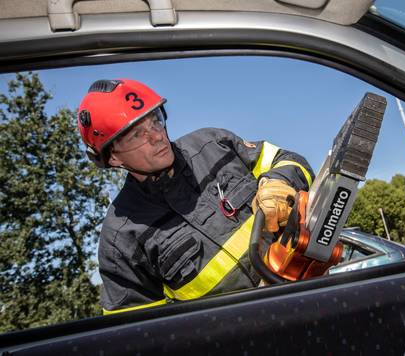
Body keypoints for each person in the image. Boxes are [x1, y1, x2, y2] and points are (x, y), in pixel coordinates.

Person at [77, 79, 314, 314]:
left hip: (313, 288)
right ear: (113, 157)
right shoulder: (120, 238)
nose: (157, 136)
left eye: (155, 121)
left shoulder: (213, 145)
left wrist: (280, 181)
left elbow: (289, 159)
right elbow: (138, 334)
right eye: (137, 134)